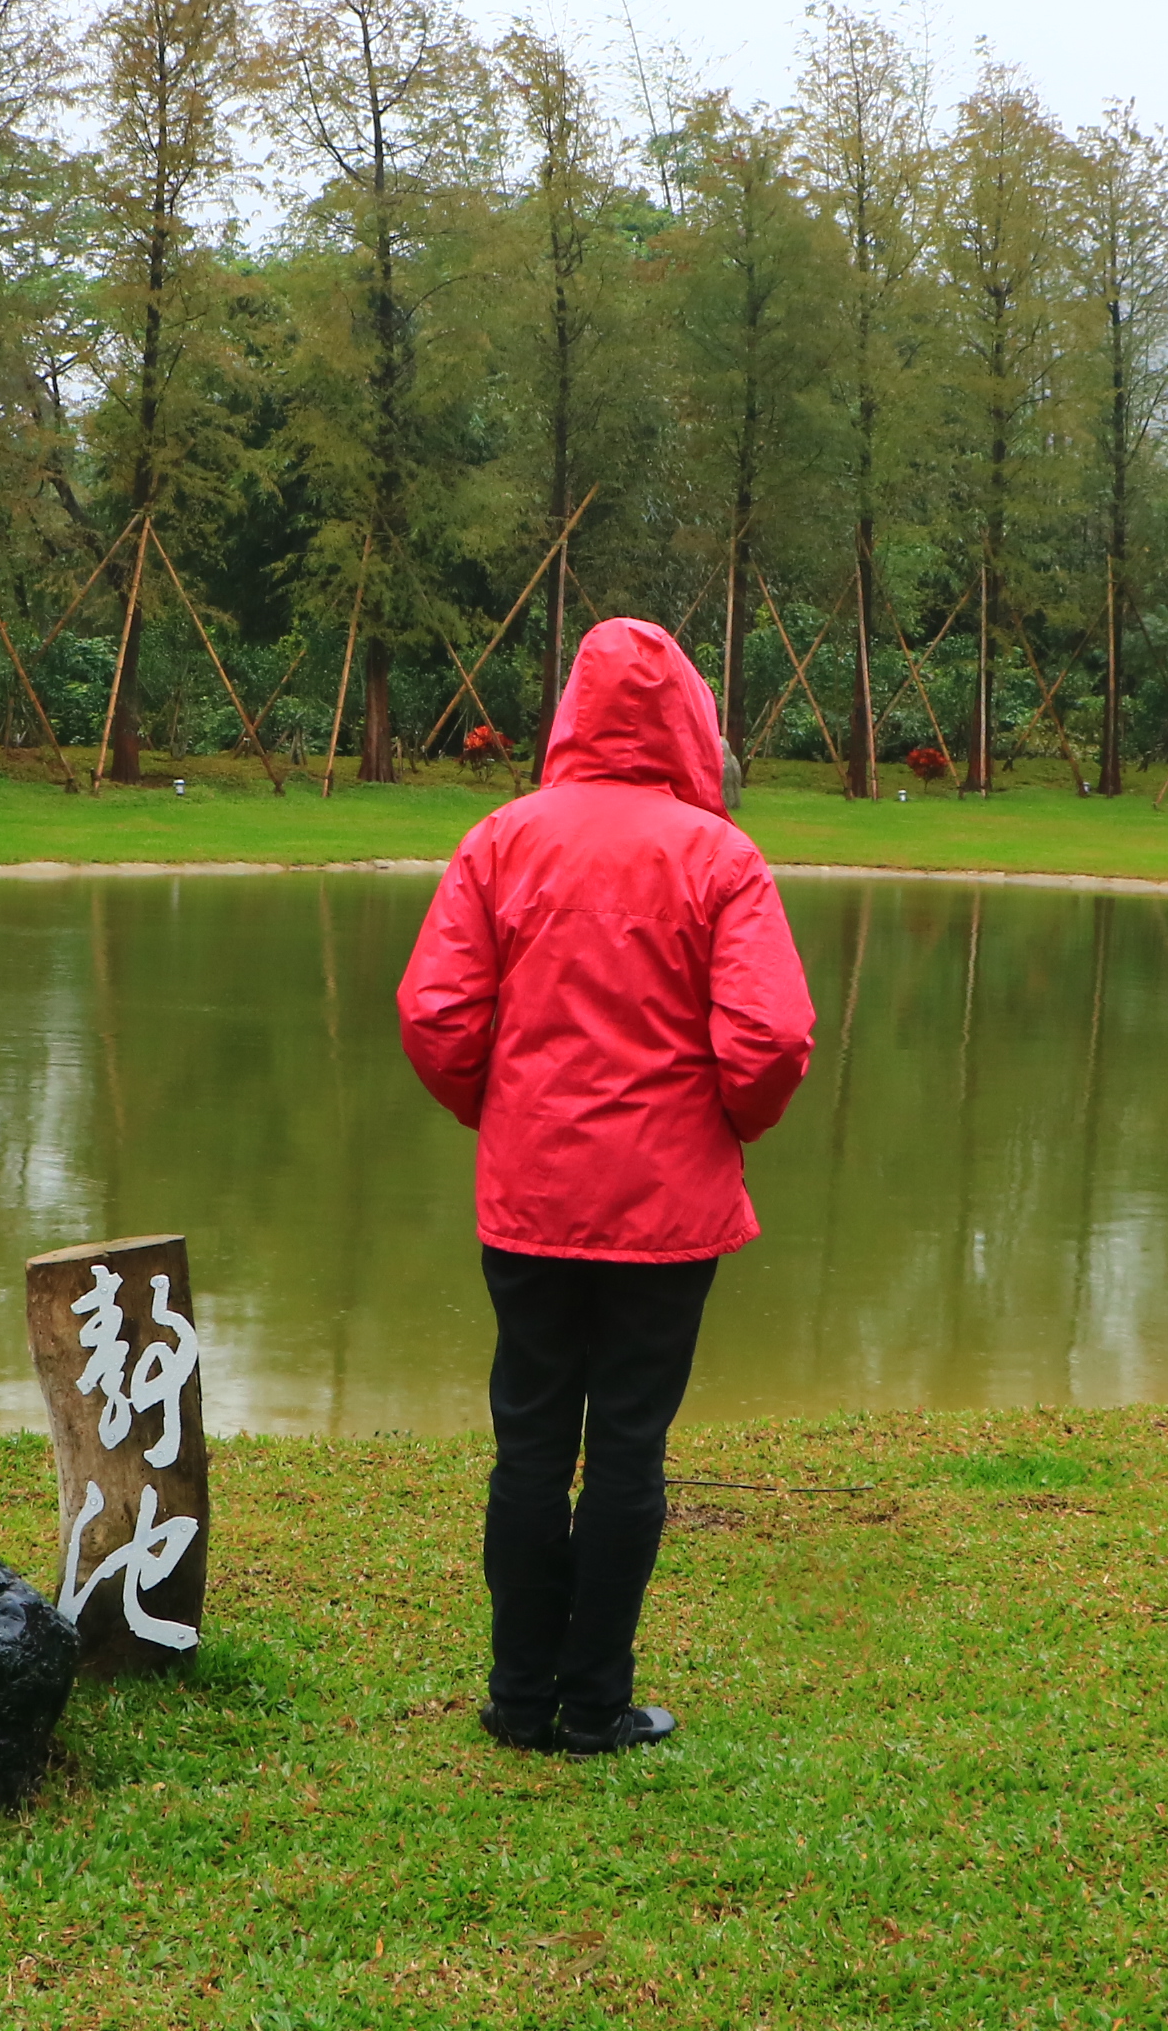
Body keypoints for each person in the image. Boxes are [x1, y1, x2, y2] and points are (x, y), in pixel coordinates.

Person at [396, 616, 816, 1756]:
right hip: (668, 1211)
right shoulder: (719, 856)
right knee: (629, 1448)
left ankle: (518, 1699)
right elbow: (771, 1037)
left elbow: (434, 1015)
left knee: (529, 1442)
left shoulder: (502, 839)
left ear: (572, 711)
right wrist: (723, 1123)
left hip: (532, 1199)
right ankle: (595, 1705)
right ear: (689, 716)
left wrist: (508, 1113)